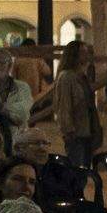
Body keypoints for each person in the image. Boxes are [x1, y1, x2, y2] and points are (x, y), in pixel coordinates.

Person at [42, 39, 99, 169]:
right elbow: (64, 105)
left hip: (86, 131)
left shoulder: (81, 77)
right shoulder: (67, 77)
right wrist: (68, 129)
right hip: (76, 132)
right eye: (83, 52)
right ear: (75, 55)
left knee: (84, 169)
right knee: (75, 169)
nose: (87, 55)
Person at [0, 47, 33, 146]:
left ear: (9, 66)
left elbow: (23, 114)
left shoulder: (22, 87)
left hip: (17, 140)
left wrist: (0, 108)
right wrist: (11, 111)